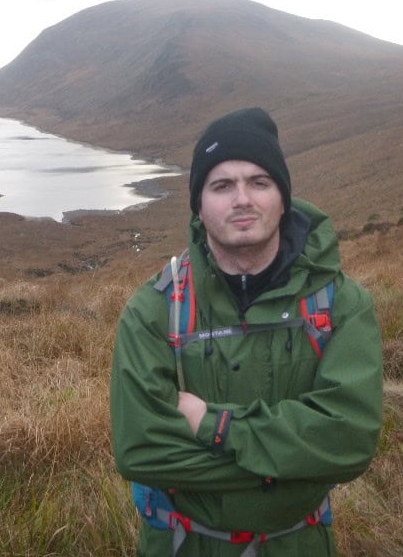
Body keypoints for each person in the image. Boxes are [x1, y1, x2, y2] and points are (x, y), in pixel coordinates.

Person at [110, 107, 383, 556]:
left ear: (283, 197)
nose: (242, 199)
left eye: (260, 182)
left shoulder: (341, 304)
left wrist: (215, 426)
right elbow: (139, 451)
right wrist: (296, 463)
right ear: (199, 204)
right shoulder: (153, 311)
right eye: (222, 185)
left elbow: (350, 440)